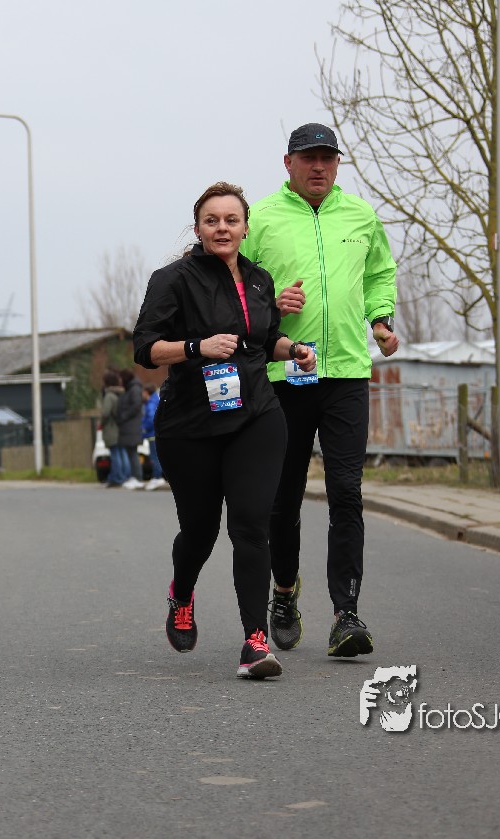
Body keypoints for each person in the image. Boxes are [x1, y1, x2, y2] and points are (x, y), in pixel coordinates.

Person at [133, 181, 315, 680]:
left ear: (245, 228)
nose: (222, 228)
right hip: (191, 424)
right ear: (197, 228)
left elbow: (265, 339)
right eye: (211, 220)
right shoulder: (172, 280)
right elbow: (145, 349)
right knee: (200, 530)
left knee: (251, 525)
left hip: (256, 414)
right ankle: (182, 594)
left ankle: (255, 642)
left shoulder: (259, 280)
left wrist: (295, 350)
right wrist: (197, 347)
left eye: (231, 220)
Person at [240, 123, 399, 658]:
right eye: (309, 158)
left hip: (347, 373)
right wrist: (269, 305)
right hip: (285, 375)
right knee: (283, 498)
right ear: (288, 163)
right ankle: (284, 592)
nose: (319, 167)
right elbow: (235, 287)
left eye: (328, 159)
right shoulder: (261, 218)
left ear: (337, 164)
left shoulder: (361, 216)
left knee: (346, 493)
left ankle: (345, 613)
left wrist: (381, 319)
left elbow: (379, 273)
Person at [116, 368, 145, 489]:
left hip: (132, 427)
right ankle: (134, 476)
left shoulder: (134, 389)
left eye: (120, 378)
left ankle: (138, 478)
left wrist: (123, 416)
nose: (119, 381)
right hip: (128, 427)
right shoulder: (130, 389)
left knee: (133, 453)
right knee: (130, 453)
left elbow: (136, 406)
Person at [98, 370, 126, 487]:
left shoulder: (109, 396)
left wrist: (101, 423)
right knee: (122, 452)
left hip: (111, 428)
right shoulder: (121, 394)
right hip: (121, 427)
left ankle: (117, 478)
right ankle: (124, 475)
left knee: (115, 454)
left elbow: (105, 413)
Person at [141, 382, 166, 491]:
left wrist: (144, 428)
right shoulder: (156, 400)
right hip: (157, 433)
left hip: (152, 434)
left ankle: (157, 477)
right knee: (157, 456)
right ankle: (158, 476)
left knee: (154, 457)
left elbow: (151, 418)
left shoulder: (150, 403)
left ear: (147, 392)